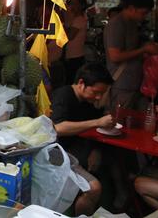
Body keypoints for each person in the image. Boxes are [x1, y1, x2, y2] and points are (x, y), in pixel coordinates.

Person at [50, 63, 114, 216]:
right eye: (96, 92)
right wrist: (97, 122)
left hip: (77, 150)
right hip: (56, 153)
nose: (98, 97)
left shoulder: (89, 102)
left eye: (102, 93)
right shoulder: (63, 95)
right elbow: (58, 128)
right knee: (94, 188)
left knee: (112, 160)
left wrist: (96, 150)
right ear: (81, 84)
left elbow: (94, 128)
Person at [104, 0, 158, 110]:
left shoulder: (133, 23)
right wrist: (144, 49)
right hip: (121, 84)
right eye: (143, 13)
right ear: (132, 8)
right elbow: (115, 56)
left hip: (135, 83)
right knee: (119, 121)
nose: (144, 16)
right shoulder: (116, 24)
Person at [63, 0, 89, 85]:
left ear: (82, 5)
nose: (72, 6)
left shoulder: (79, 20)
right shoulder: (75, 19)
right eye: (71, 3)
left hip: (75, 57)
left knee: (72, 82)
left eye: (75, 3)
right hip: (73, 56)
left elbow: (70, 36)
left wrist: (64, 23)